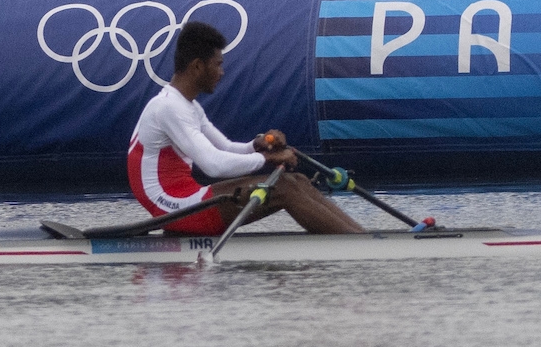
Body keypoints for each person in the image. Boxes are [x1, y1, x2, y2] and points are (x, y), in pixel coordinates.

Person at [128, 22, 367, 235]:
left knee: (298, 180)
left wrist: (257, 145)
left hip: (184, 198)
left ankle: (361, 237)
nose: (221, 72)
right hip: (171, 207)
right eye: (218, 65)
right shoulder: (168, 107)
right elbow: (214, 165)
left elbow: (226, 147)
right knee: (284, 187)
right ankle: (361, 247)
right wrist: (268, 158)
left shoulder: (188, 106)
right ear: (197, 66)